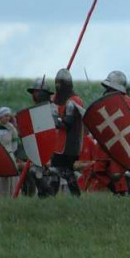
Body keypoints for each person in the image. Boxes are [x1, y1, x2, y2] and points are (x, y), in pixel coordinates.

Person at [51, 69, 84, 197]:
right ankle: (50, 197)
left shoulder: (74, 101)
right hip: (59, 144)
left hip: (70, 144)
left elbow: (67, 123)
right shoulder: (56, 99)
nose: (58, 86)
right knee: (55, 171)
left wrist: (55, 119)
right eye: (56, 83)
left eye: (61, 83)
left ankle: (76, 196)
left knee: (65, 171)